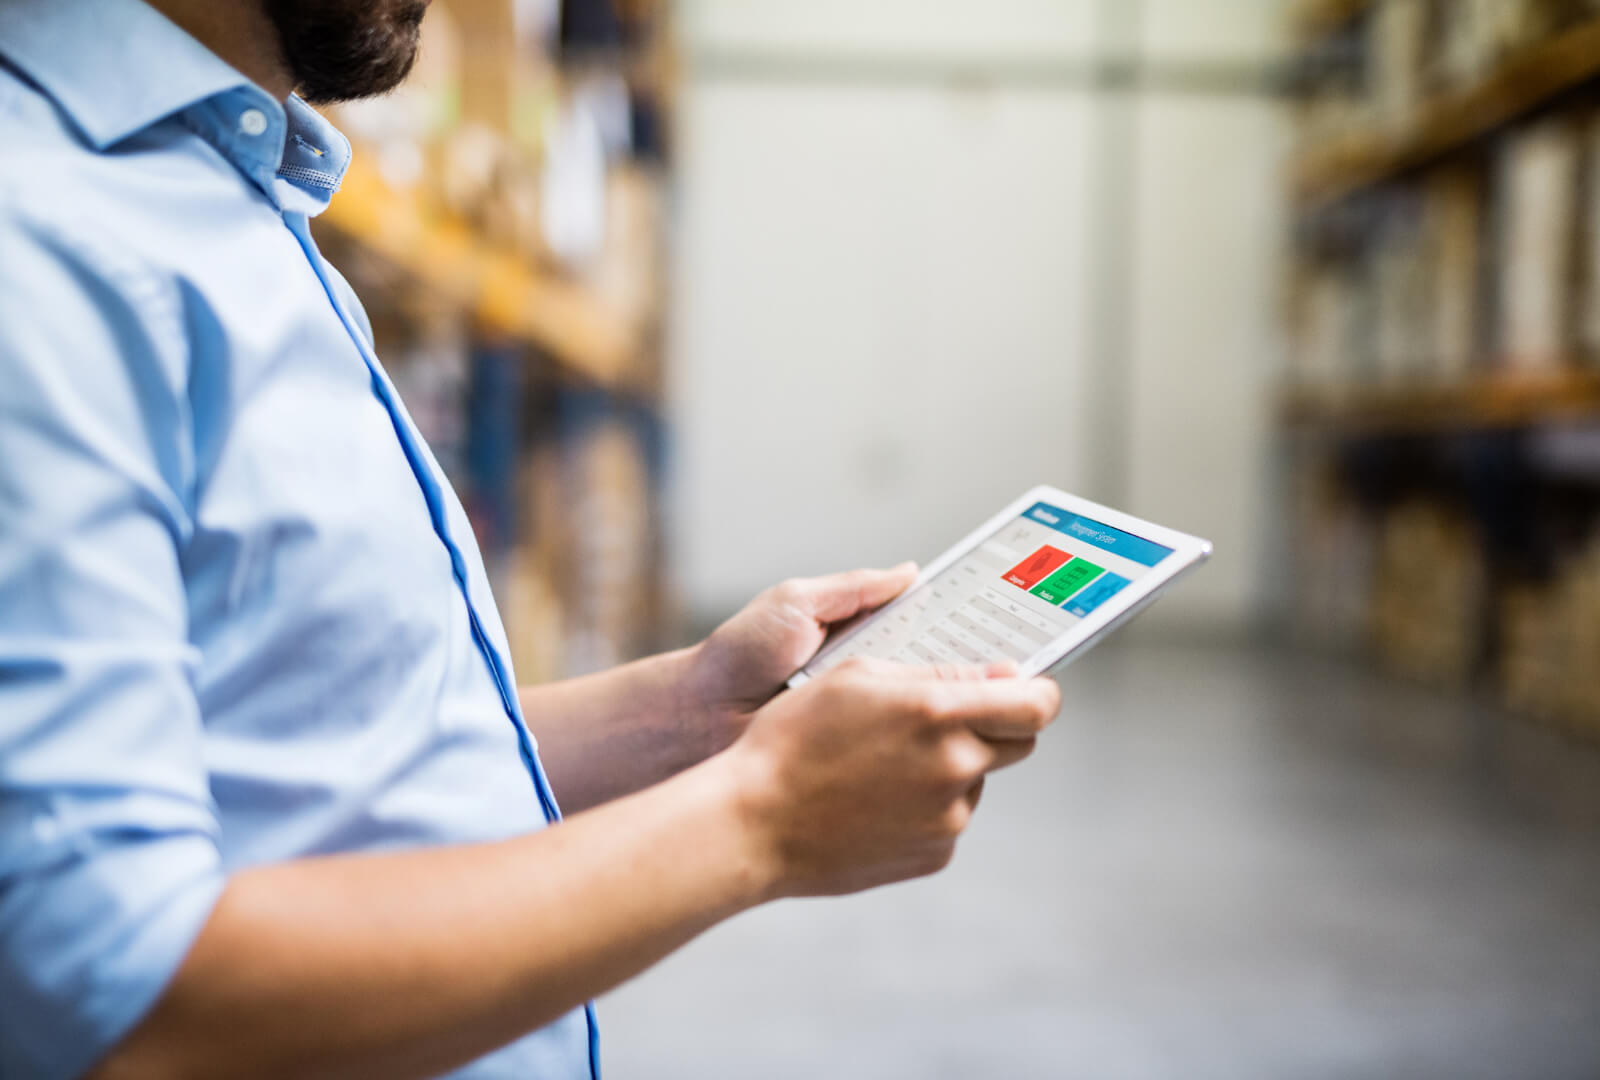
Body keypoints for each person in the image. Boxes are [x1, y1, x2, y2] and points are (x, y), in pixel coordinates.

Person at [0, 1, 1062, 1077]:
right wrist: (765, 819)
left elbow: (343, 756)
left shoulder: (218, 192)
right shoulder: (44, 237)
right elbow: (118, 1001)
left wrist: (695, 716)